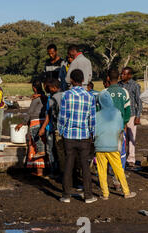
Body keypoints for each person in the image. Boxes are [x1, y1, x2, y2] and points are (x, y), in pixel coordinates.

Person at [57, 69, 97, 203]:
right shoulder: (90, 96)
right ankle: (88, 196)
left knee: (69, 164)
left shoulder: (66, 95)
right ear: (82, 80)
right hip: (84, 135)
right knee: (85, 166)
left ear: (72, 81)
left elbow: (62, 116)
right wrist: (92, 133)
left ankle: (66, 195)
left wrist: (61, 131)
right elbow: (92, 118)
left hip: (69, 135)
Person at [94, 91, 136, 200]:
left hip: (99, 146)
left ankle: (105, 194)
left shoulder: (97, 115)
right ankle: (126, 192)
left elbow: (93, 131)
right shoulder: (117, 113)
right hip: (113, 146)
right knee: (119, 170)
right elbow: (120, 129)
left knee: (101, 171)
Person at [16, 79, 48, 176]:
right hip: (43, 122)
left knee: (36, 147)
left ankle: (39, 172)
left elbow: (30, 112)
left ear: (34, 88)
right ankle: (40, 171)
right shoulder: (45, 98)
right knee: (41, 144)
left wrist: (22, 123)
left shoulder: (36, 99)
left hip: (35, 122)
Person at [103, 69, 131, 169]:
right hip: (119, 127)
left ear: (108, 78)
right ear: (118, 78)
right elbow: (128, 111)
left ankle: (106, 173)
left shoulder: (103, 93)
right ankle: (118, 178)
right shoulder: (124, 92)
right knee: (120, 151)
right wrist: (124, 122)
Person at [39, 78, 64, 176]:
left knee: (51, 150)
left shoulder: (54, 98)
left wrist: (42, 128)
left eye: (48, 87)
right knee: (60, 151)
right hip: (61, 128)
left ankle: (54, 171)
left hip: (52, 127)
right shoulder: (65, 95)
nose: (47, 89)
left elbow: (49, 115)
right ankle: (60, 170)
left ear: (53, 87)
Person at [119, 67, 142, 167]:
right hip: (121, 116)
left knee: (131, 138)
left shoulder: (135, 85)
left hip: (132, 115)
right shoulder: (119, 85)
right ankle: (121, 156)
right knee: (122, 137)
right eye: (121, 74)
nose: (122, 75)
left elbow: (139, 102)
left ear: (129, 75)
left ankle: (131, 159)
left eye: (124, 74)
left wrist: (138, 116)